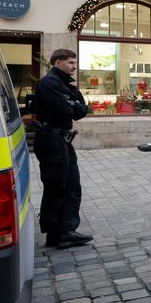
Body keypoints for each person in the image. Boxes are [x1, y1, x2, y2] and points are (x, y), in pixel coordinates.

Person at [34, 49, 93, 249]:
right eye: (70, 62)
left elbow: (82, 108)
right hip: (52, 140)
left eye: (75, 63)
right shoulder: (49, 83)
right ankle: (57, 233)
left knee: (71, 184)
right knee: (58, 186)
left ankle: (66, 230)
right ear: (57, 63)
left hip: (62, 140)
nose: (74, 66)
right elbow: (68, 110)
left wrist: (75, 105)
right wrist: (75, 105)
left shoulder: (64, 83)